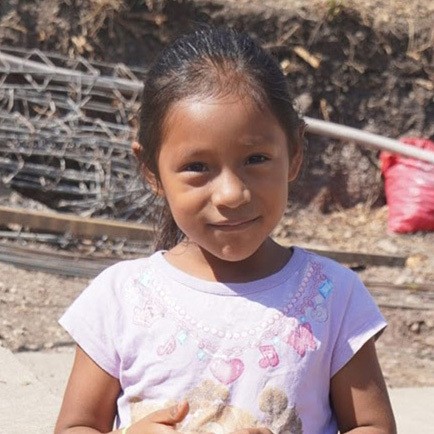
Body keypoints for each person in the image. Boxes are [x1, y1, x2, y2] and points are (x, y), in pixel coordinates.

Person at [55, 26, 396, 434]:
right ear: (151, 171)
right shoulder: (119, 298)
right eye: (197, 167)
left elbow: (373, 426)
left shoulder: (334, 296)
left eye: (256, 159)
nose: (232, 194)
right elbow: (76, 426)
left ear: (294, 154)